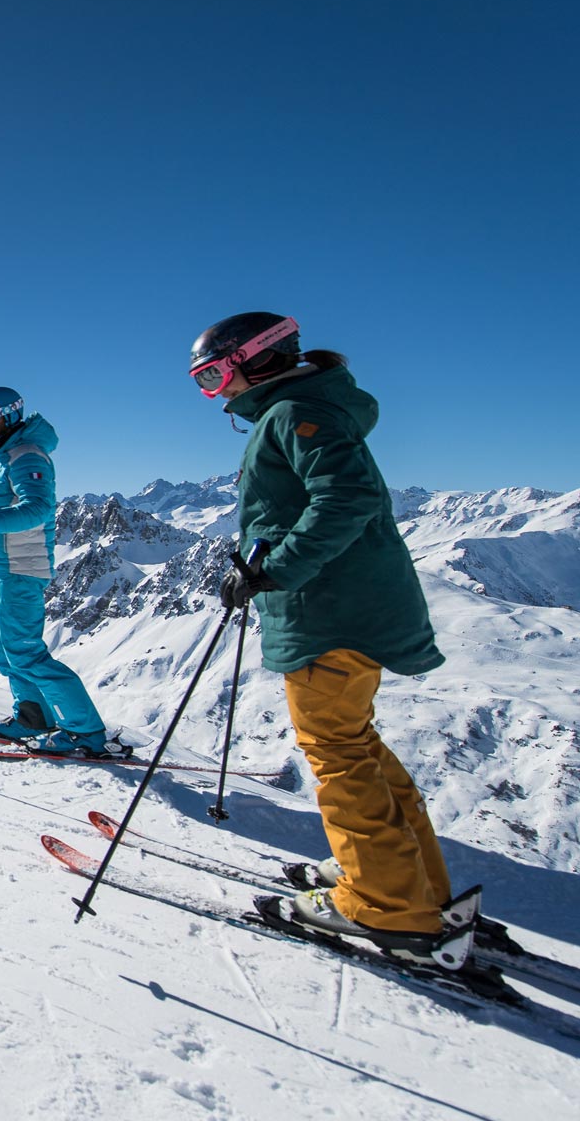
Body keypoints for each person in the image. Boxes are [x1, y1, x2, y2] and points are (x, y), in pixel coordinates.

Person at [189, 311, 452, 960]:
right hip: (341, 604)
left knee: (337, 750)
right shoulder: (304, 408)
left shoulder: (293, 413)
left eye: (216, 373)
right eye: (205, 379)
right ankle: (409, 882)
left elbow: (346, 497)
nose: (216, 390)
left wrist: (273, 570)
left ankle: (389, 906)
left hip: (328, 610)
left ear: (257, 359)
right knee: (355, 743)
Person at [0, 388, 109, 754]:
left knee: (25, 652)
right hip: (1, 569)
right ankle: (32, 717)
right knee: (0, 650)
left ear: (10, 414)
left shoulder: (27, 456)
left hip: (22, 569)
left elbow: (38, 509)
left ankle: (85, 732)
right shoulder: (3, 457)